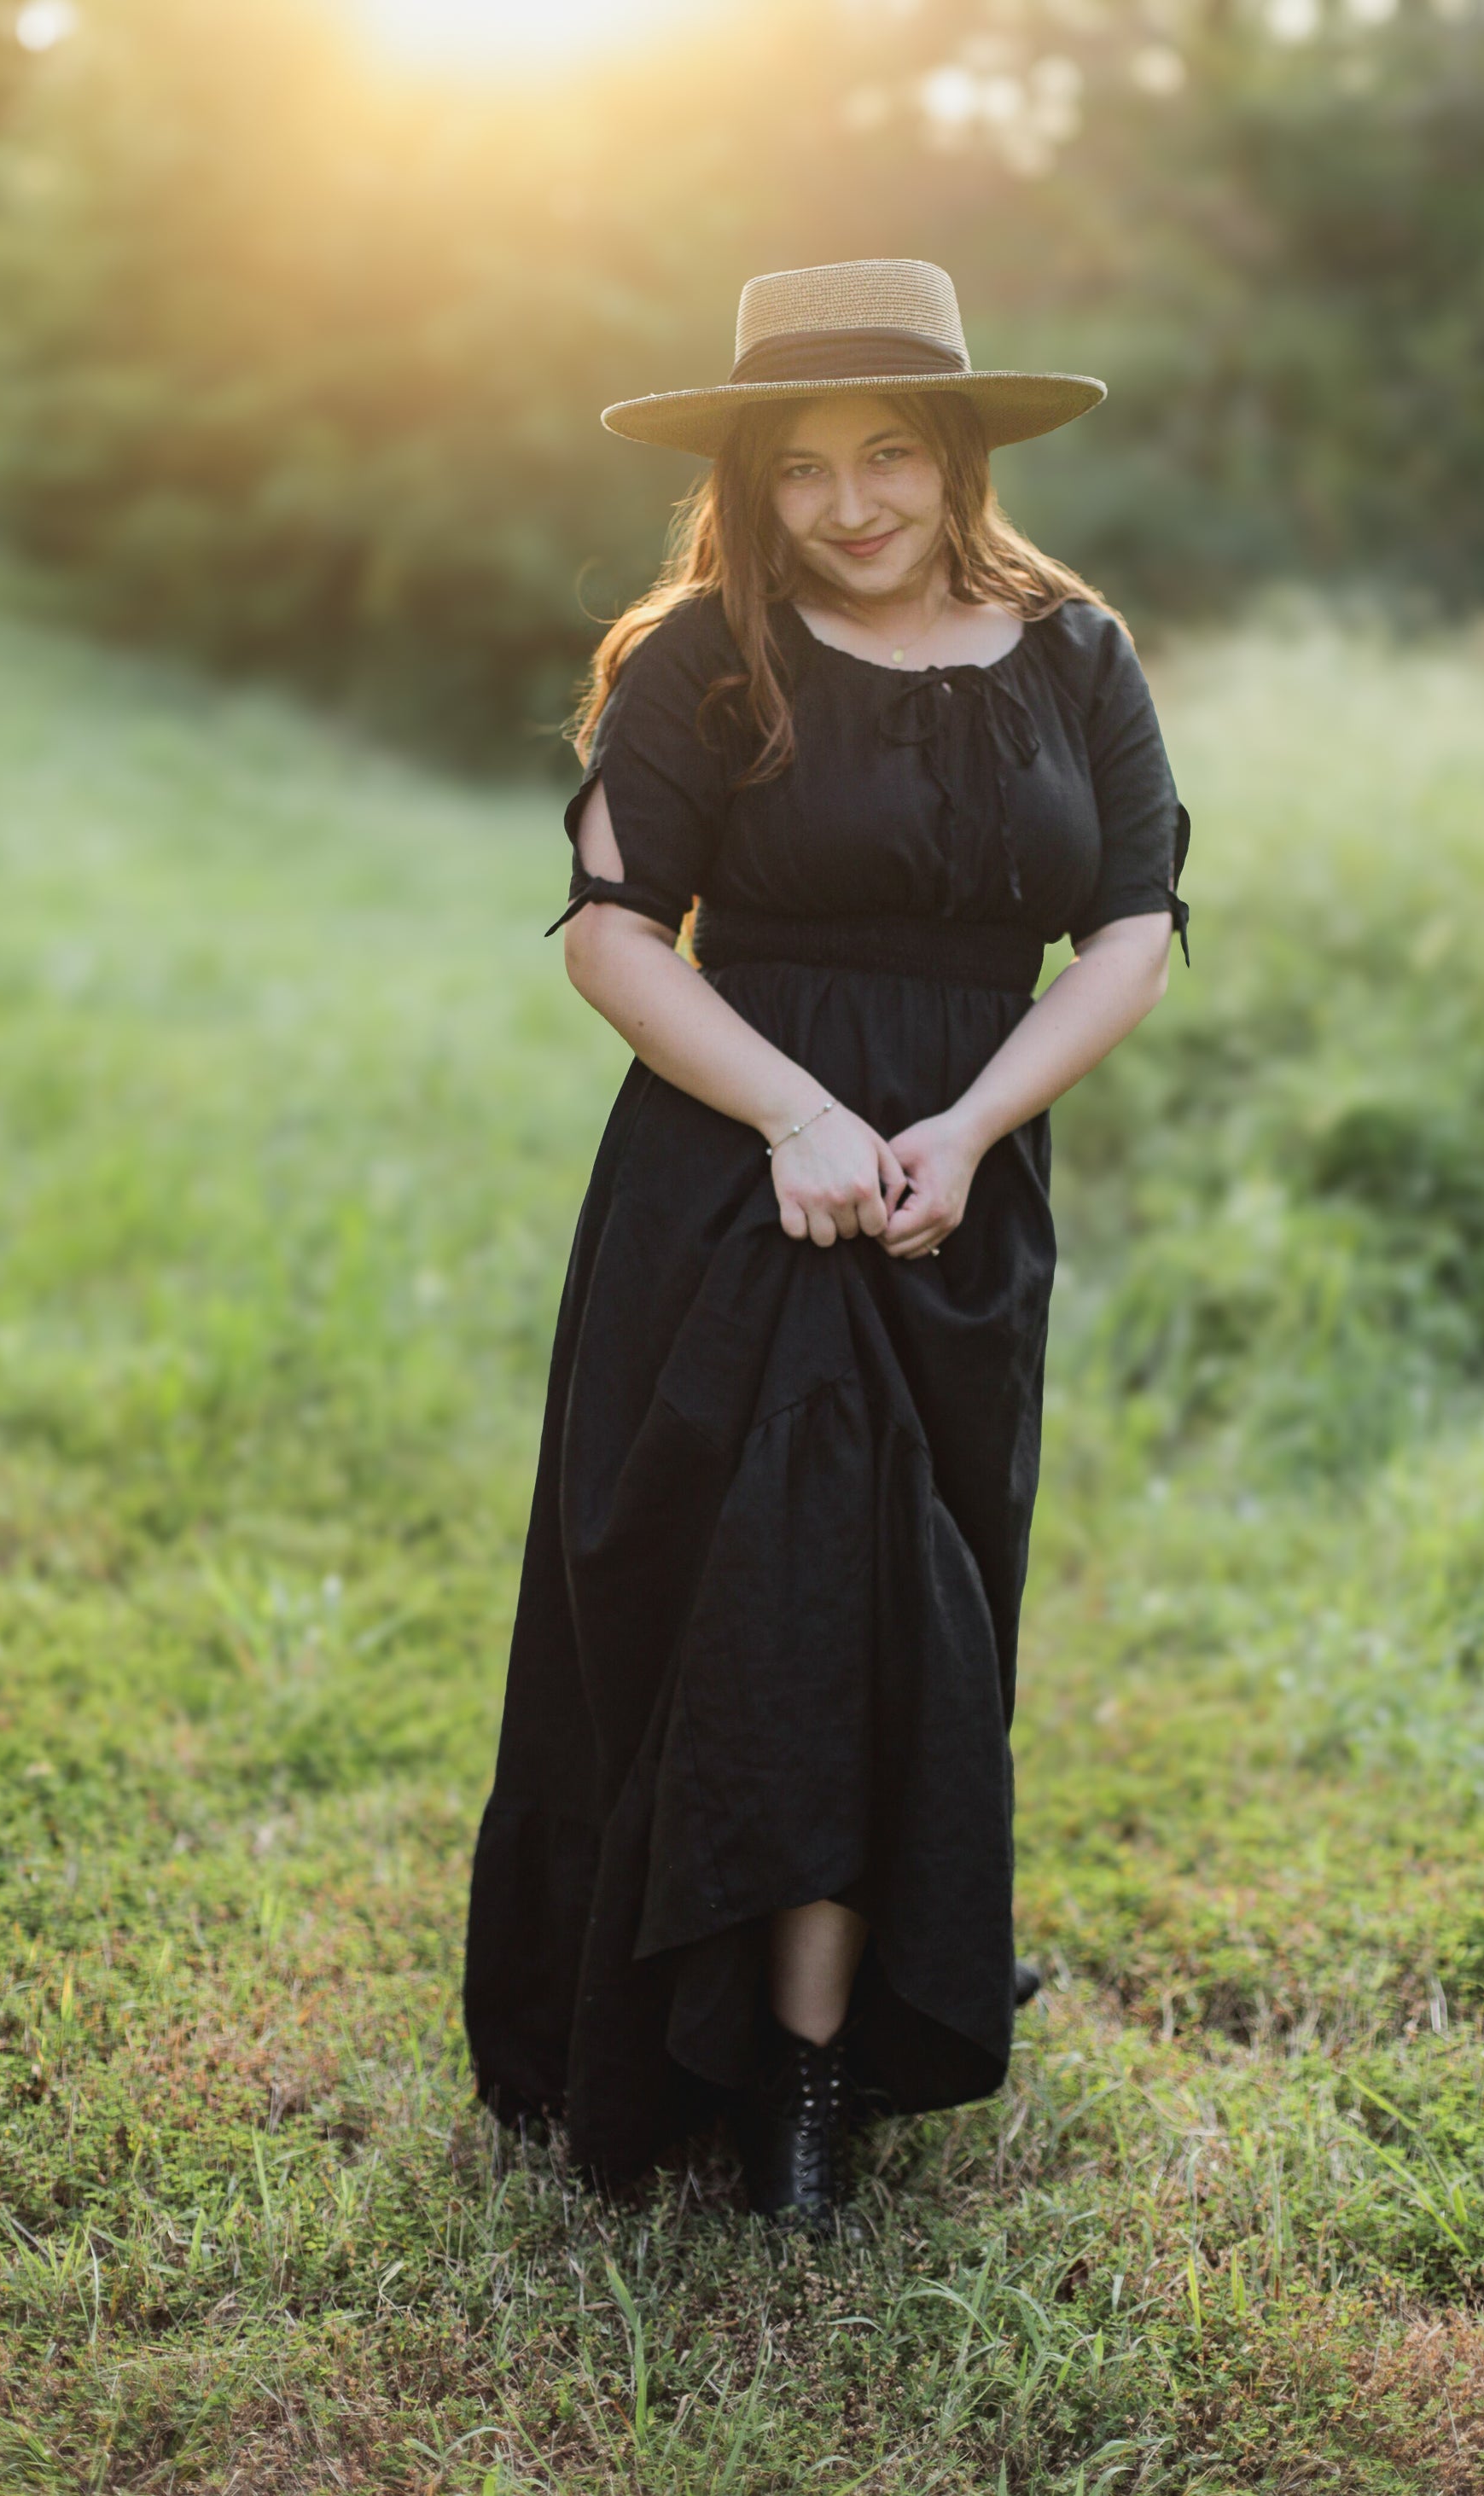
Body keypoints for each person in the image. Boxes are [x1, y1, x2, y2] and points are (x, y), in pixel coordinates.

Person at [463, 258, 1189, 2231]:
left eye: (887, 454)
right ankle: (784, 2069)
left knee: (923, 1602)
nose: (849, 503)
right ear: (750, 486)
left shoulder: (1077, 653)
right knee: (779, 1595)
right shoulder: (702, 658)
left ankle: (863, 1989)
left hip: (960, 1191)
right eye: (799, 467)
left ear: (954, 453)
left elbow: (1131, 924)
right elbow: (616, 938)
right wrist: (798, 1115)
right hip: (737, 1190)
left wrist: (969, 1124)